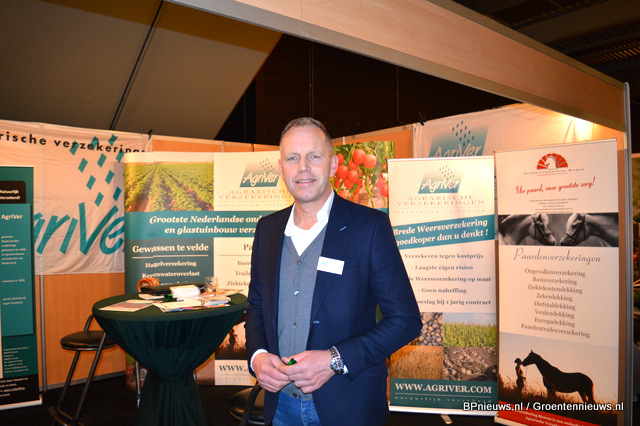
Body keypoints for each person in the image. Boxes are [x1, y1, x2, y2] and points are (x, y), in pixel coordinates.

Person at [244, 117, 422, 426]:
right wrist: (257, 356)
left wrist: (334, 360)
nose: (303, 167)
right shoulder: (267, 229)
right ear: (281, 168)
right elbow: (257, 307)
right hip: (280, 405)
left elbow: (405, 321)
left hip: (349, 404)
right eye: (292, 158)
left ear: (333, 164)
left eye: (314, 156)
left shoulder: (369, 228)